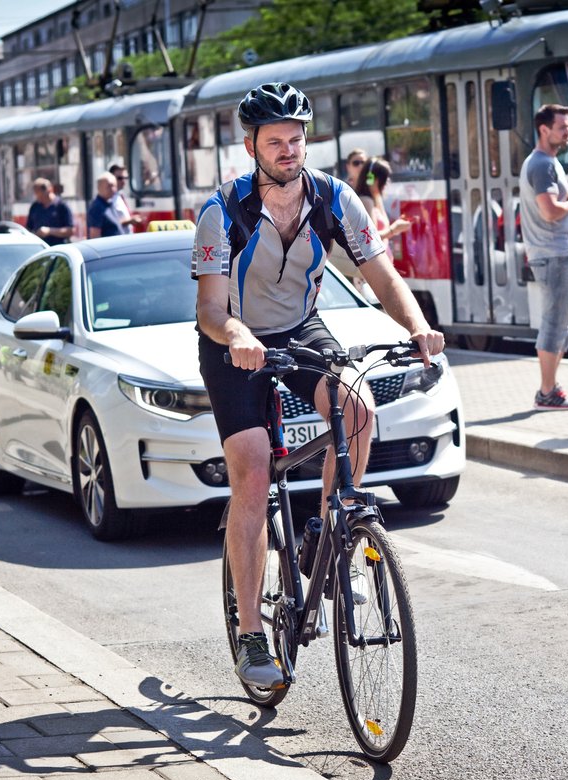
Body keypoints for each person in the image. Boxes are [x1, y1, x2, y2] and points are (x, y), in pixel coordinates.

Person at [192, 82, 444, 690]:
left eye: (297, 139)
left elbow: (381, 276)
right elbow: (208, 308)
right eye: (275, 141)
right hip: (234, 340)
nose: (288, 150)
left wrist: (417, 326)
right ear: (250, 145)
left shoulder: (335, 197)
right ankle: (253, 634)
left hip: (303, 328)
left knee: (356, 411)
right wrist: (236, 335)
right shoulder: (221, 210)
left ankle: (332, 528)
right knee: (253, 469)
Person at [520, 103, 568, 411]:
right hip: (552, 253)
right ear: (544, 129)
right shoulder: (542, 165)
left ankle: (550, 387)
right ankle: (547, 392)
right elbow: (549, 211)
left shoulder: (546, 162)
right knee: (555, 322)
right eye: (563, 127)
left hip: (555, 252)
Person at [355, 157, 410, 256]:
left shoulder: (375, 199)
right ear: (372, 179)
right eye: (384, 179)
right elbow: (370, 238)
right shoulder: (366, 201)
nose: (387, 183)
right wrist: (394, 229)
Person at [25, 177, 74, 245]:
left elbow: (70, 231)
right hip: (40, 247)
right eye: (36, 193)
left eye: (40, 194)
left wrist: (49, 231)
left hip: (58, 247)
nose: (37, 197)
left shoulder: (61, 206)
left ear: (49, 191)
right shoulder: (35, 206)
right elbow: (28, 228)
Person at [86, 173, 128, 238]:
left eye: (114, 186)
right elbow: (95, 236)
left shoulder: (109, 204)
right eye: (109, 186)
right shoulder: (97, 208)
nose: (113, 189)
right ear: (99, 187)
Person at [107, 162, 142, 229]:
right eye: (120, 178)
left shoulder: (120, 195)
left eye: (125, 178)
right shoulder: (108, 198)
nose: (123, 181)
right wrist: (129, 221)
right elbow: (108, 224)